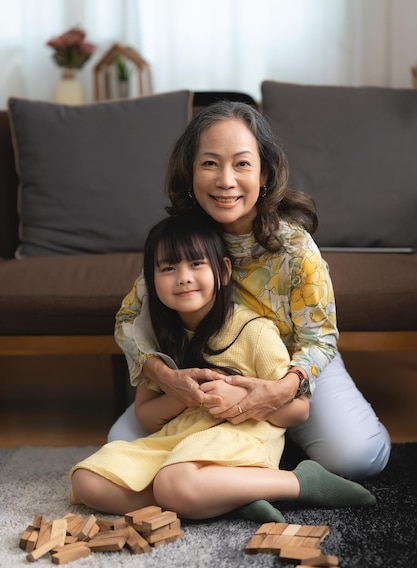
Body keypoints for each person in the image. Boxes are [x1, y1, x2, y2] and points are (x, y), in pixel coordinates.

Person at [110, 100, 391, 480]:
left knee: (357, 458)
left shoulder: (296, 249)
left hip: (293, 370)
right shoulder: (184, 239)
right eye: (209, 163)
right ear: (190, 171)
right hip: (212, 380)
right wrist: (169, 379)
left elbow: (319, 340)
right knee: (119, 443)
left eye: (242, 163)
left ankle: (276, 442)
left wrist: (278, 392)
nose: (225, 180)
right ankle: (257, 446)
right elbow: (130, 318)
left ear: (264, 174)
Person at [70, 212, 375, 520]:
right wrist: (181, 395)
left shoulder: (254, 332)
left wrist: (241, 402)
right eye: (169, 268)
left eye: (197, 264)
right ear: (150, 281)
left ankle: (301, 483)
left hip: (240, 438)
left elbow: (299, 411)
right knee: (87, 479)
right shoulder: (160, 338)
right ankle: (228, 496)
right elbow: (147, 417)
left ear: (224, 271)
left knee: (172, 483)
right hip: (177, 440)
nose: (184, 277)